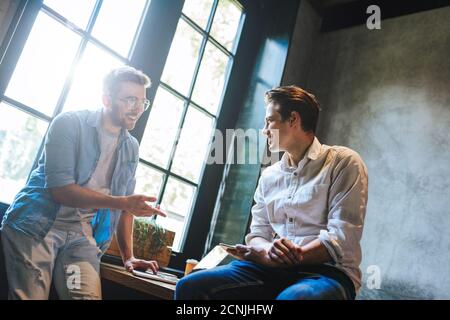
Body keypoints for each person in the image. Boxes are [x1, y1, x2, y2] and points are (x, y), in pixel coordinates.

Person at [175, 86, 368, 300]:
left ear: (293, 119)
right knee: (189, 286)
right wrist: (267, 253)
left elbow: (341, 238)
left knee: (295, 299)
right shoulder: (269, 176)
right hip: (269, 270)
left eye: (269, 120)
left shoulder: (343, 162)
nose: (264, 129)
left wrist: (287, 256)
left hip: (327, 273)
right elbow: (258, 234)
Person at [1, 66, 166, 300]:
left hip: (79, 237)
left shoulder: (131, 147)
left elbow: (125, 207)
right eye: (130, 100)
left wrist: (128, 256)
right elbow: (61, 191)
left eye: (142, 102)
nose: (138, 109)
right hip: (36, 227)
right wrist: (123, 202)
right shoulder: (68, 124)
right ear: (106, 99)